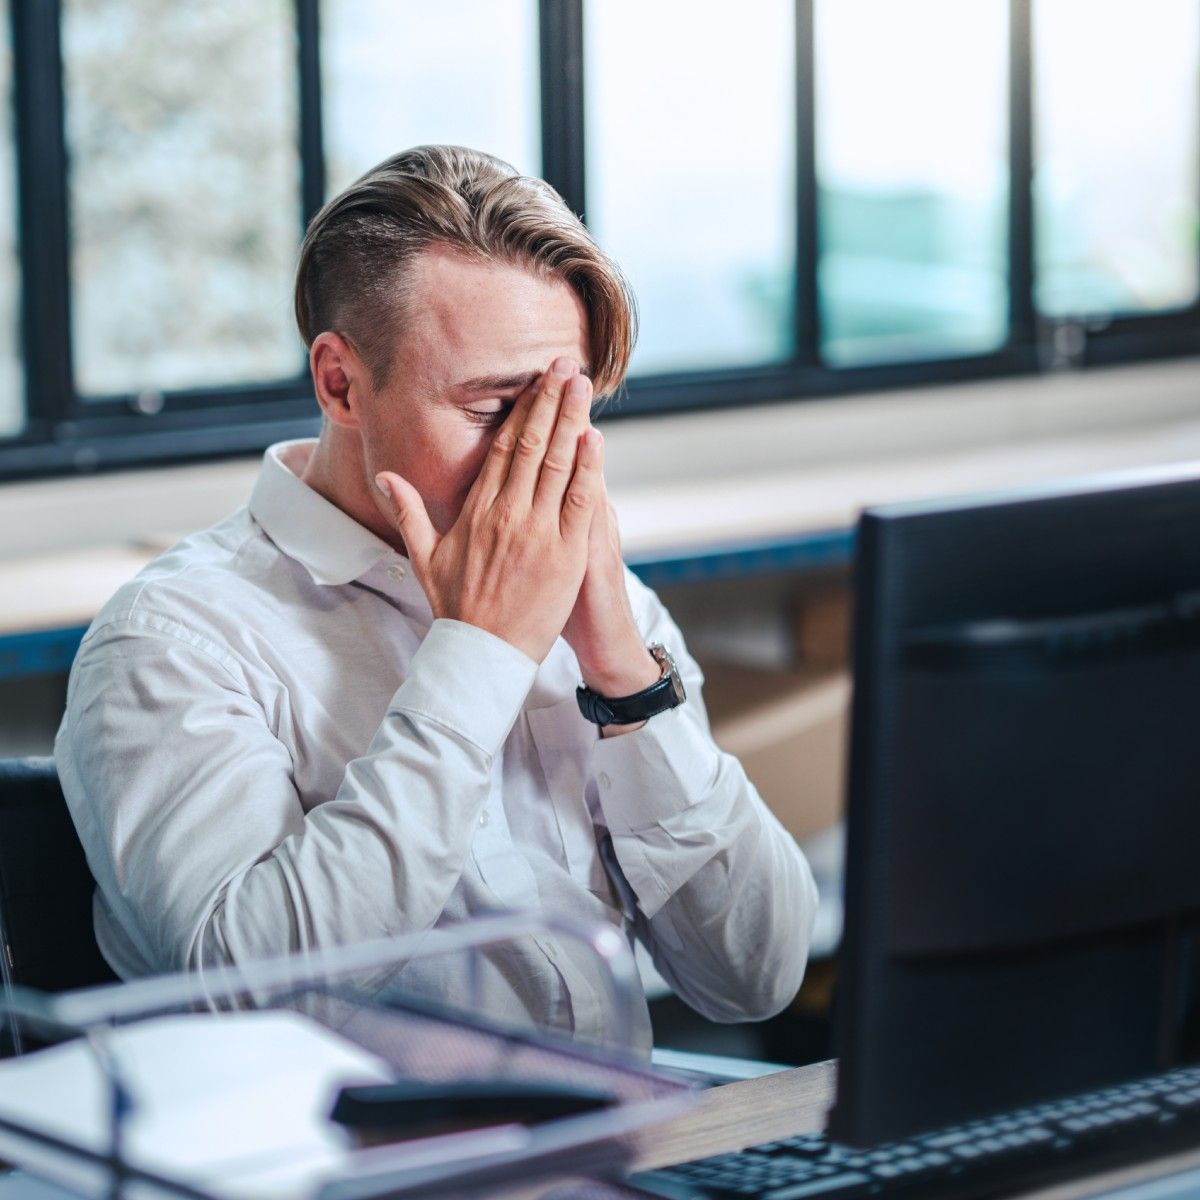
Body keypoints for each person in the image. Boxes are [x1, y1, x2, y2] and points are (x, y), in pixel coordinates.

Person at [56, 145, 818, 1052]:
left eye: (565, 410)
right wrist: (477, 656)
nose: (535, 455)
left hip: (605, 1158)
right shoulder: (174, 640)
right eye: (496, 409)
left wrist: (623, 675)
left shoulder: (602, 603)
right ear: (340, 382)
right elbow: (251, 996)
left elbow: (758, 978)